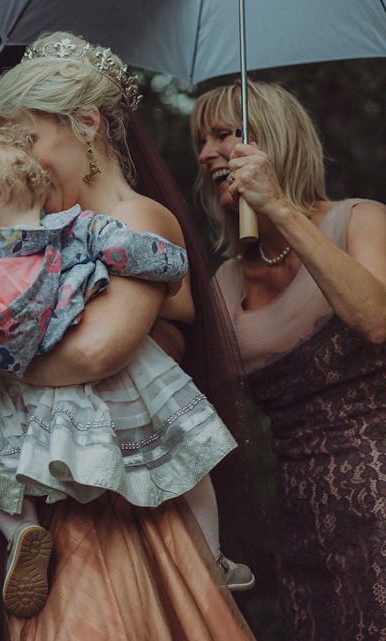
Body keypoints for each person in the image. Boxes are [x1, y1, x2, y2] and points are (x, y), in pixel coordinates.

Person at [0, 31, 261, 640]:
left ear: (87, 124)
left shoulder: (134, 220)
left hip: (117, 501)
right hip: (50, 475)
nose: (18, 159)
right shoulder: (43, 236)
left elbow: (96, 352)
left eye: (28, 139)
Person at [191, 80, 386, 640]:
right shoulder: (225, 281)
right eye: (202, 143)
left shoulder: (358, 220)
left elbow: (374, 320)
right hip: (303, 516)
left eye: (225, 135)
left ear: (273, 142)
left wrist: (277, 205)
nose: (207, 155)